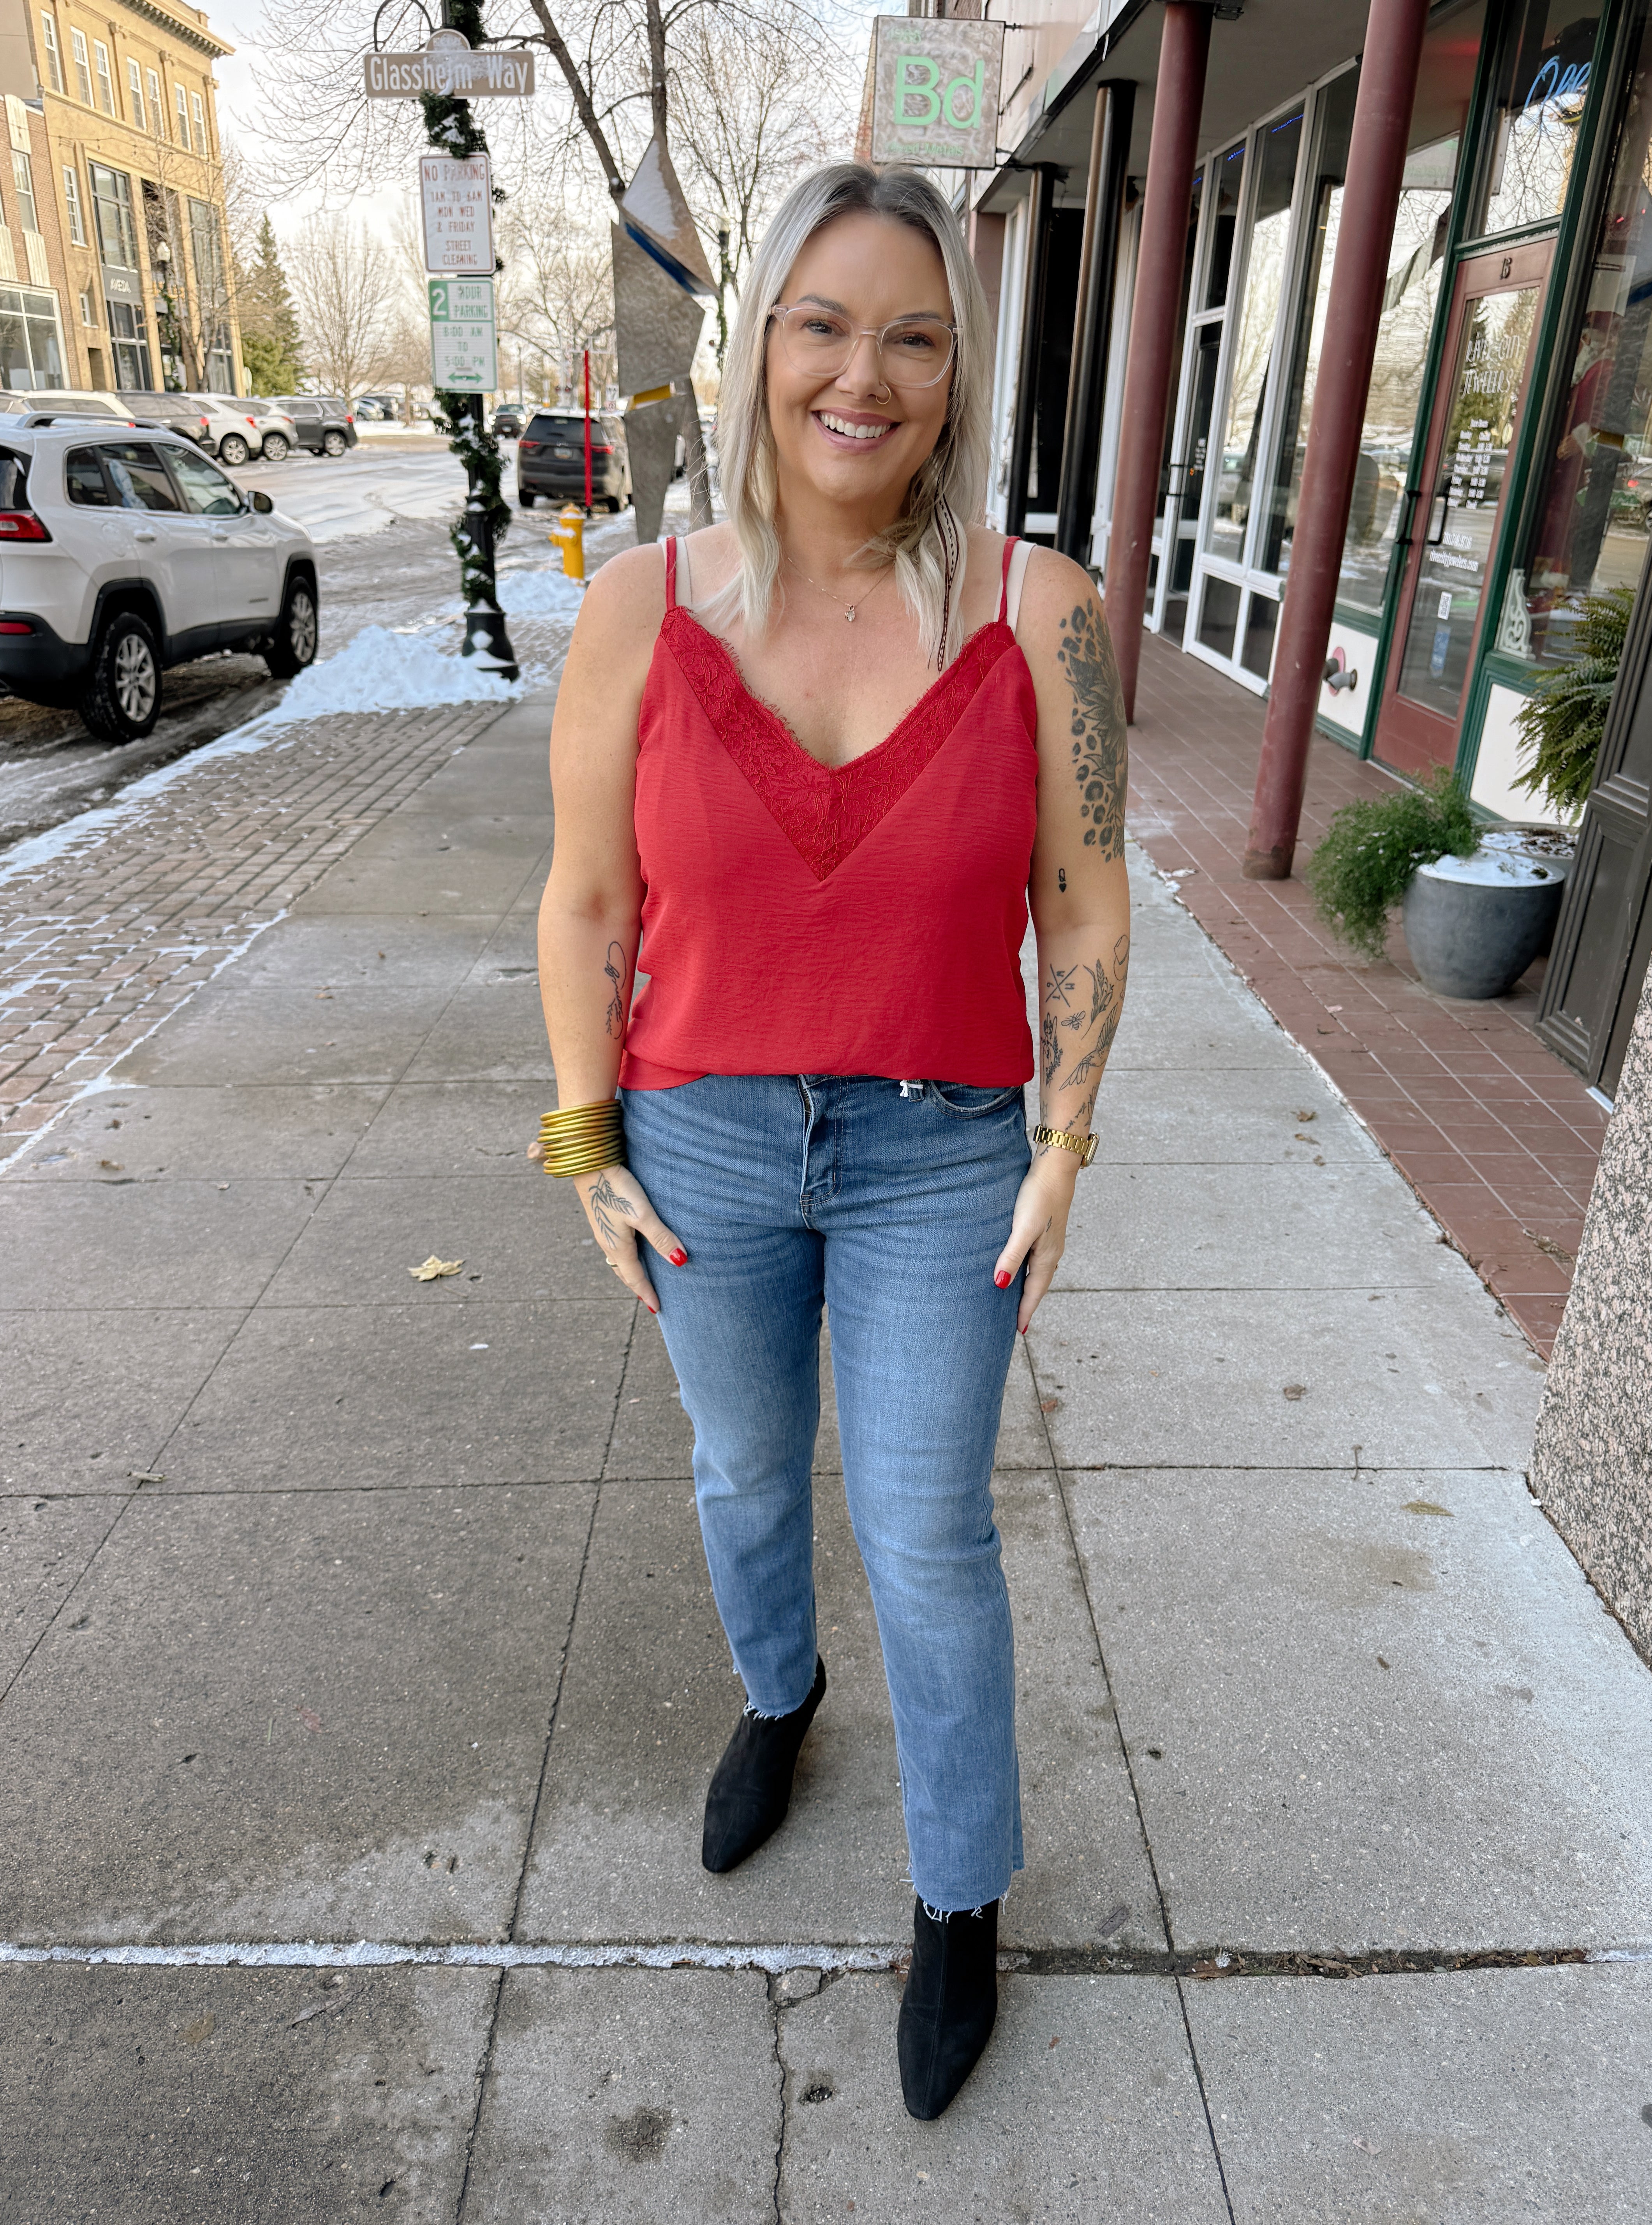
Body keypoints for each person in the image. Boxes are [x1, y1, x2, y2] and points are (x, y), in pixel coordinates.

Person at [537, 161, 1130, 2120]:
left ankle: (957, 1894)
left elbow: (1086, 897)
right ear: (759, 346)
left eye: (912, 336)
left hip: (945, 1151)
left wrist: (1063, 1142)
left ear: (958, 373)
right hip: (699, 1139)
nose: (861, 375)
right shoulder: (635, 611)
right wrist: (583, 1136)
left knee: (933, 1534)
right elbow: (585, 907)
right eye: (822, 324)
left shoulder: (1049, 622)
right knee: (737, 1480)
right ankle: (778, 1701)